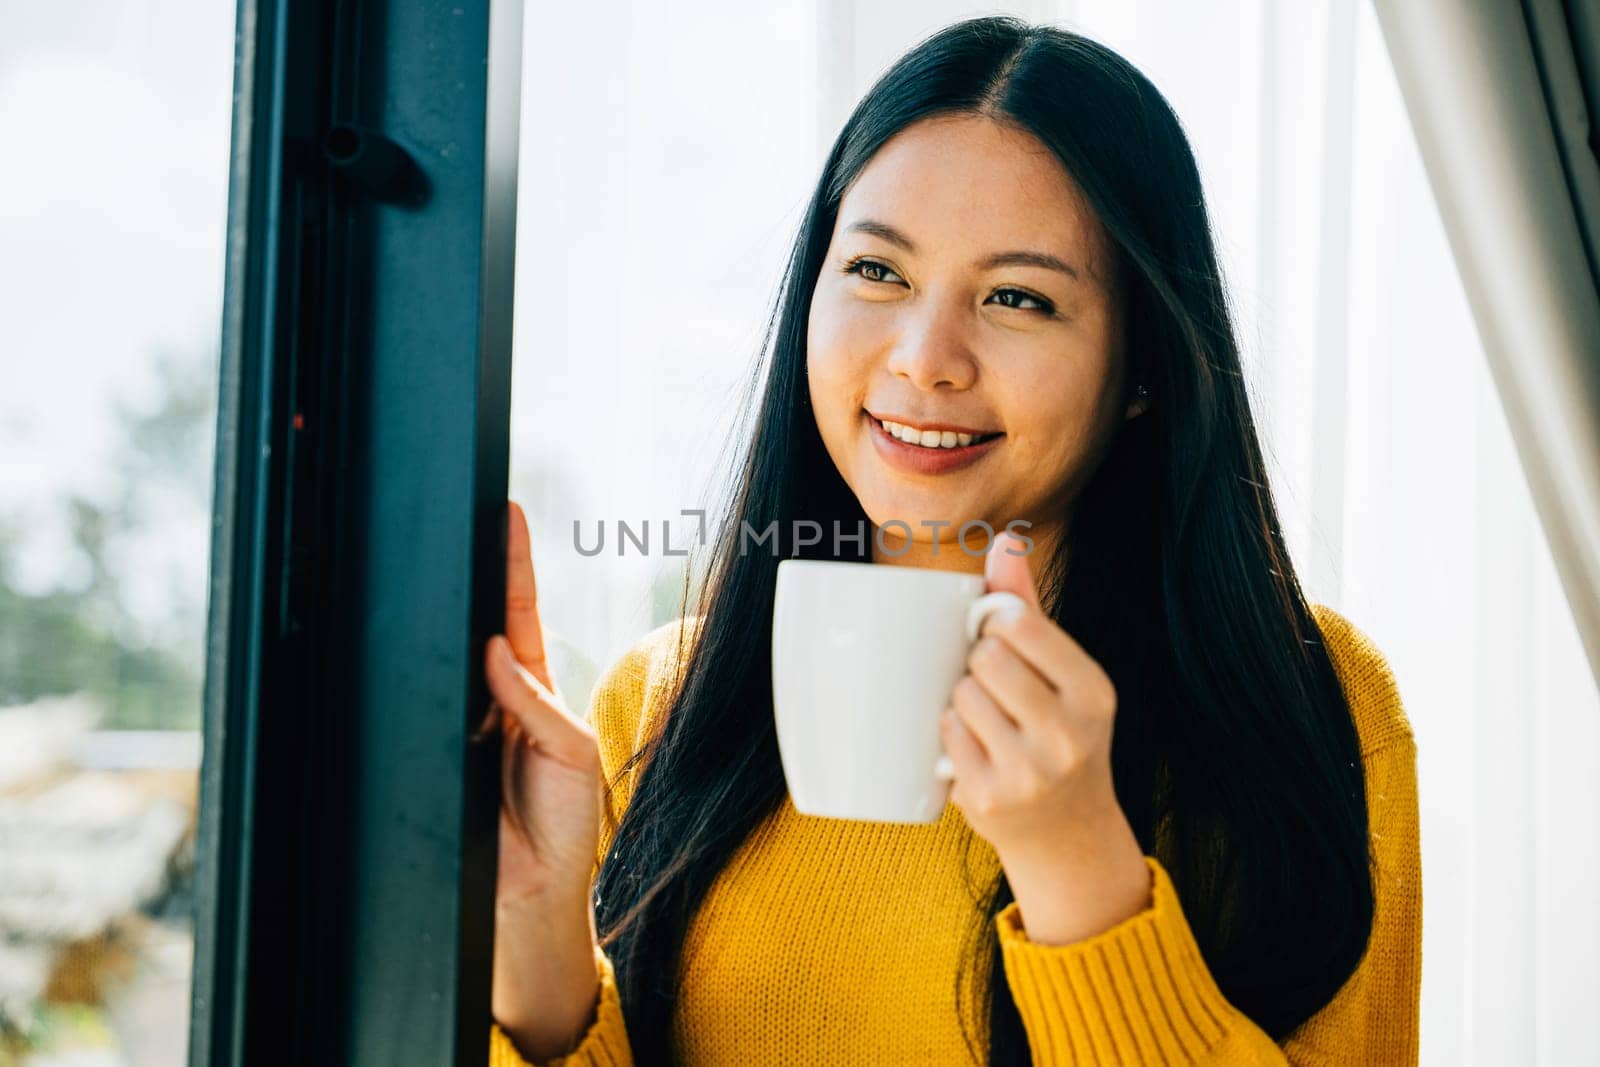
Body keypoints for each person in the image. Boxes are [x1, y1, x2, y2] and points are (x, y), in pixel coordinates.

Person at [481, 14, 1421, 1066]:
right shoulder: (656, 703)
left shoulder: (1308, 699)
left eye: (1017, 297)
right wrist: (539, 957)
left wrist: (1079, 870)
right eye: (877, 273)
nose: (926, 359)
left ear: (1145, 363)